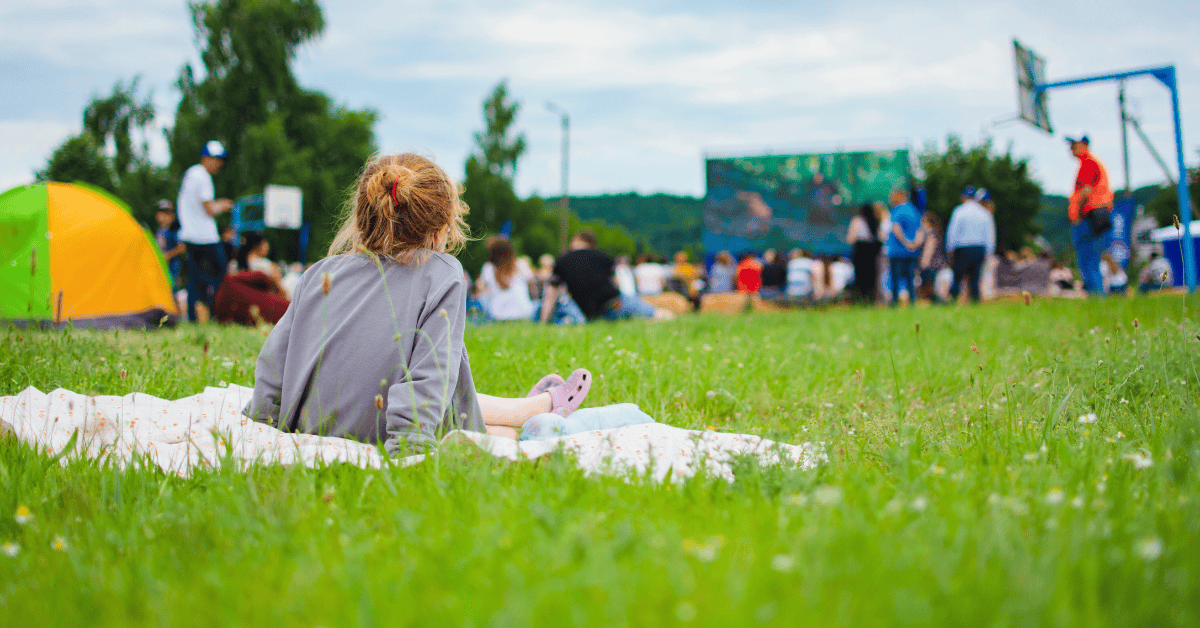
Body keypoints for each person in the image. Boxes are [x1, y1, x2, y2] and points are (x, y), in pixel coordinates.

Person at [248, 152, 595, 450]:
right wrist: (411, 447)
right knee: (499, 433)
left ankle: (526, 409)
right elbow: (429, 378)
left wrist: (262, 426)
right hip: (381, 433)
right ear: (442, 228)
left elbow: (273, 366)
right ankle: (531, 412)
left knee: (482, 421)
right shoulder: (441, 272)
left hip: (311, 425)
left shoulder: (319, 273)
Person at [539, 229, 665, 323]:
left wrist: (544, 321)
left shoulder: (563, 260)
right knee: (655, 313)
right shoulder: (604, 257)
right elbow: (616, 283)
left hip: (590, 313)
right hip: (615, 304)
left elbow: (551, 293)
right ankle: (666, 316)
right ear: (591, 244)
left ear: (575, 240)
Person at [178, 141, 235, 322]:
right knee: (222, 269)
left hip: (190, 234)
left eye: (220, 160)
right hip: (204, 236)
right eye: (216, 159)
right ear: (205, 158)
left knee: (194, 278)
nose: (219, 164)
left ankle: (194, 317)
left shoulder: (191, 173)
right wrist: (224, 205)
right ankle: (212, 307)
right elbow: (209, 208)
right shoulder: (203, 177)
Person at [1066, 133, 1114, 295]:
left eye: (1074, 145)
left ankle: (1096, 294)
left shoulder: (1088, 163)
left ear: (1084, 145)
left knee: (1087, 260)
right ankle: (1096, 294)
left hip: (1088, 217)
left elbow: (1085, 191)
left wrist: (1078, 214)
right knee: (1091, 259)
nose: (1071, 149)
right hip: (1091, 216)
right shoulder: (1088, 163)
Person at [945, 186, 996, 303]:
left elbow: (952, 231)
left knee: (957, 277)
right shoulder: (984, 213)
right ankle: (975, 300)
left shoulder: (959, 211)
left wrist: (949, 248)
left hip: (962, 249)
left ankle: (952, 300)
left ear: (963, 197)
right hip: (979, 249)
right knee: (975, 278)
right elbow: (990, 235)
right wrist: (989, 252)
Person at [478, 236, 536, 321]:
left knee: (483, 297)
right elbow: (533, 286)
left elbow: (480, 288)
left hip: (497, 314)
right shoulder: (520, 264)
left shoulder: (488, 268)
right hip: (524, 312)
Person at [885, 188, 921, 306]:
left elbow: (896, 229)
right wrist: (914, 244)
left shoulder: (897, 210)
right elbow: (920, 230)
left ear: (900, 196)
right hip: (912, 252)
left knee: (895, 279)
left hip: (897, 251)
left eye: (892, 197)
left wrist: (906, 243)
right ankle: (912, 303)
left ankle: (894, 304)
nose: (890, 200)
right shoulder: (914, 210)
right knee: (910, 279)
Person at [845, 202, 883, 303]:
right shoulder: (875, 221)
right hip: (872, 252)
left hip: (860, 251)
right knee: (872, 277)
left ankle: (860, 299)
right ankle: (871, 299)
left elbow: (850, 238)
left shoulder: (857, 220)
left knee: (860, 277)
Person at [913, 212, 947, 302]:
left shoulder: (930, 234)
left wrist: (923, 266)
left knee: (927, 290)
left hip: (930, 267)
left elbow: (928, 252)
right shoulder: (937, 232)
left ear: (927, 223)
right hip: (937, 266)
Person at [154, 199, 186, 290]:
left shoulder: (174, 231)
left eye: (168, 213)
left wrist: (168, 255)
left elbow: (182, 247)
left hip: (172, 271)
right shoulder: (159, 232)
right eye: (162, 213)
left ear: (173, 216)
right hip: (161, 271)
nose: (165, 216)